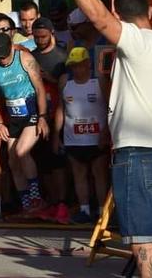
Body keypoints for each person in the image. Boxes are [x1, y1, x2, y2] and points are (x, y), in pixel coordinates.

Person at [52, 0, 152, 278]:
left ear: (121, 16)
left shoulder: (136, 43)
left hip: (136, 153)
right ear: (150, 11)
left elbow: (96, 17)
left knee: (142, 242)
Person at [0, 33, 49, 217]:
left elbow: (40, 88)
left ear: (12, 47)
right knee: (13, 161)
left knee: (21, 151)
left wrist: (43, 116)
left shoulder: (25, 58)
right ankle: (27, 203)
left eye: (5, 56)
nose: (3, 61)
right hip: (13, 115)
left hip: (32, 111)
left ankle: (37, 199)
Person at [54, 47, 109, 225]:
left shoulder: (98, 81)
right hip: (74, 138)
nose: (76, 69)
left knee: (99, 174)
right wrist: (56, 135)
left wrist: (106, 132)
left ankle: (102, 212)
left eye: (79, 65)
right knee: (79, 174)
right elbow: (61, 109)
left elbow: (110, 107)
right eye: (73, 66)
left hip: (96, 138)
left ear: (87, 63)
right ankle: (84, 210)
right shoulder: (65, 81)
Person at [30, 17, 70, 223]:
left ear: (52, 33)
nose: (39, 40)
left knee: (58, 164)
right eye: (36, 37)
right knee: (42, 164)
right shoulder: (32, 56)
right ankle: (51, 202)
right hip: (38, 118)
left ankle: (62, 203)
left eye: (43, 36)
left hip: (58, 116)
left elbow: (69, 87)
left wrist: (49, 78)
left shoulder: (62, 57)